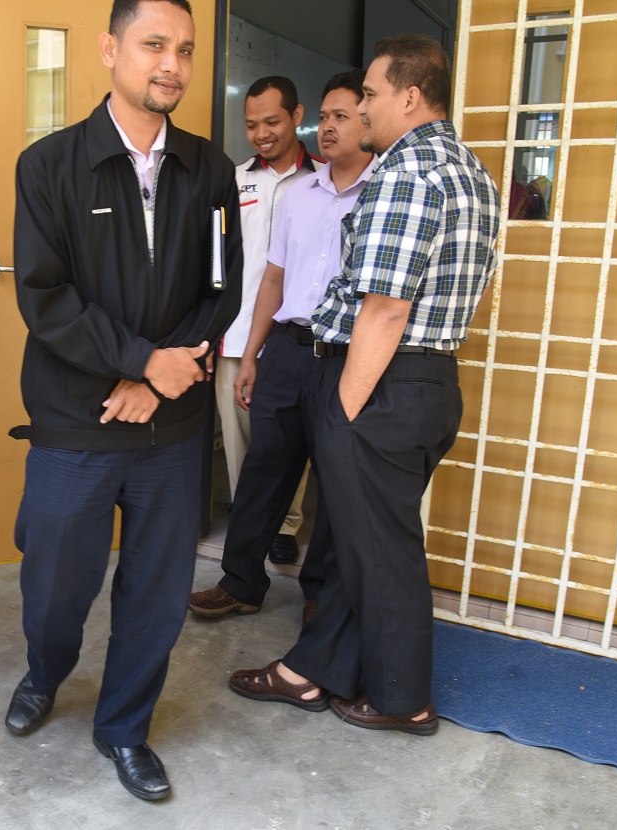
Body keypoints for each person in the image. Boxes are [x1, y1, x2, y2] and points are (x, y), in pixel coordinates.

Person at [228, 34, 500, 736]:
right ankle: (312, 670)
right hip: (429, 381)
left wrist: (345, 410)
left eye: (371, 95)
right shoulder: (470, 170)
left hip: (382, 383)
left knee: (382, 555)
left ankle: (402, 699)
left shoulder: (408, 174)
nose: (364, 108)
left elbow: (384, 309)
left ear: (410, 96)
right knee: (364, 543)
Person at [4, 0, 241, 801]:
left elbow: (221, 287)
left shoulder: (211, 170)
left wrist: (158, 379)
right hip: (77, 420)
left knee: (156, 591)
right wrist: (139, 364)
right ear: (110, 49)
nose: (172, 64)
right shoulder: (49, 167)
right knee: (54, 585)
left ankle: (125, 728)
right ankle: (45, 672)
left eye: (186, 49)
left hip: (171, 428)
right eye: (153, 44)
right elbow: (46, 297)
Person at [191, 70, 374, 625]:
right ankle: (241, 582)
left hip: (345, 354)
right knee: (263, 472)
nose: (329, 127)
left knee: (336, 477)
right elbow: (273, 277)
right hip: (286, 351)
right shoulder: (299, 196)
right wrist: (251, 354)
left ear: (369, 121)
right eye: (327, 116)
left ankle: (319, 591)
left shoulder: (384, 194)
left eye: (342, 116)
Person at [216, 76, 321, 567]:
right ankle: (249, 521)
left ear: (297, 116)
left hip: (293, 335)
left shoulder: (323, 179)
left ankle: (285, 524)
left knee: (286, 436)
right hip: (237, 333)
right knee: (239, 438)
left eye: (272, 122)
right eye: (252, 124)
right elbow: (217, 260)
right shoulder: (234, 181)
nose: (261, 134)